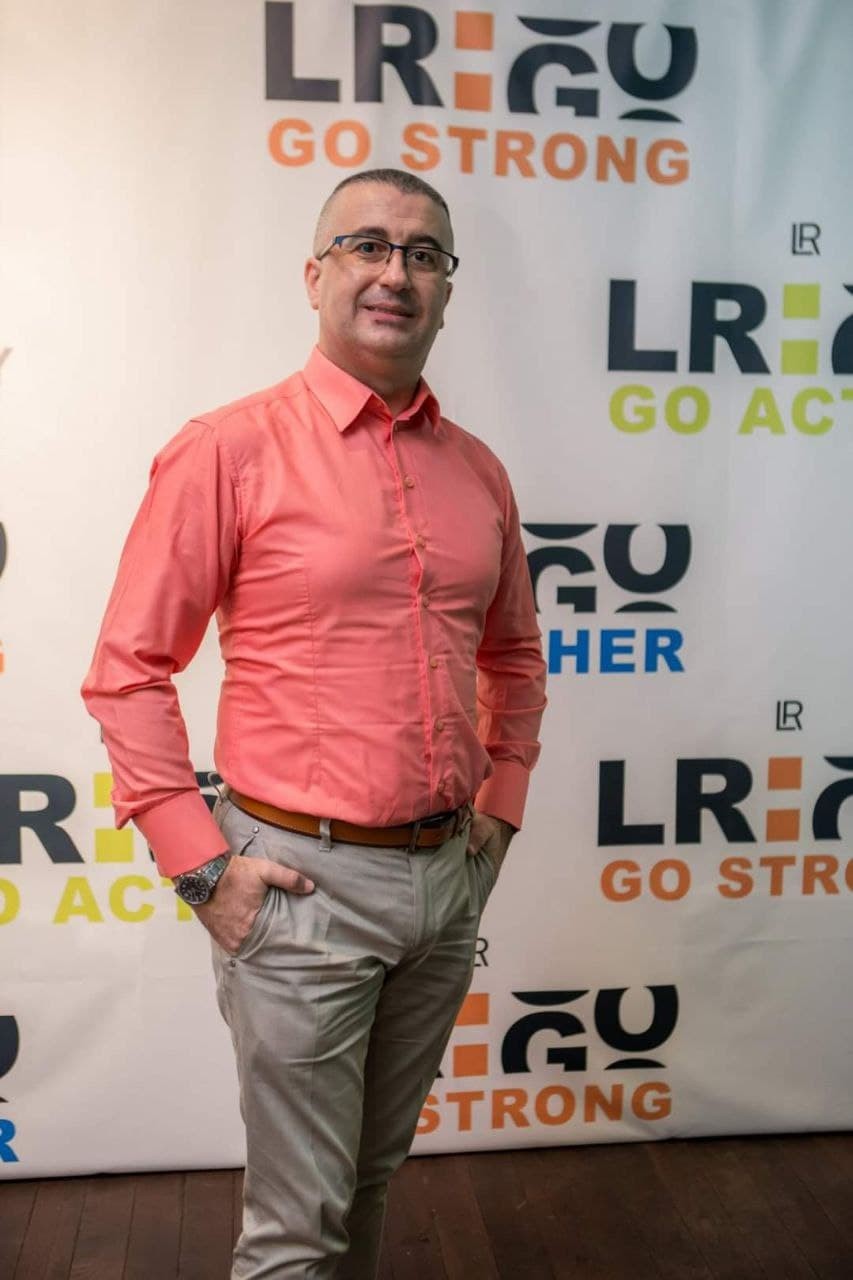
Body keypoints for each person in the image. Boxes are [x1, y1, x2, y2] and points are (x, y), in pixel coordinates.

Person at [82, 168, 547, 1279]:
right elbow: (128, 670)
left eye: (424, 254)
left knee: (369, 1178)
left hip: (446, 881)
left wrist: (497, 818)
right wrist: (203, 867)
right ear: (314, 275)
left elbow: (514, 657)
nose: (396, 273)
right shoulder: (227, 448)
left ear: (446, 290)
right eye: (366, 245)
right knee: (296, 1229)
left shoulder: (478, 470)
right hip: (298, 887)